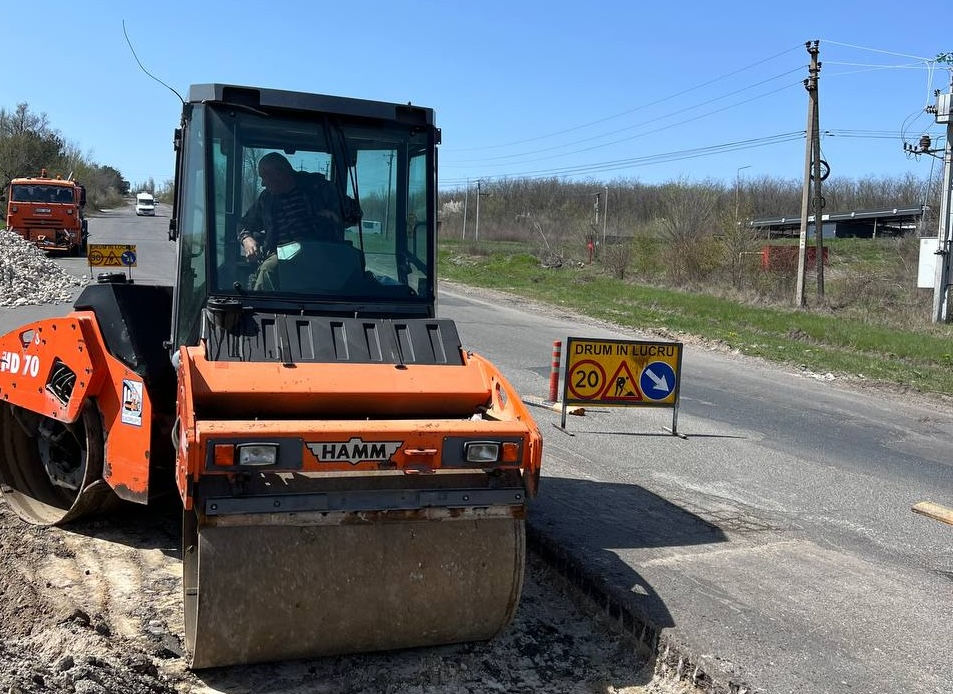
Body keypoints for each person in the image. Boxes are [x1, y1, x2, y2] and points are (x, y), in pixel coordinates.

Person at [238, 152, 361, 289]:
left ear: (280, 173)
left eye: (264, 176)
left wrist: (335, 215)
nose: (262, 183)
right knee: (268, 269)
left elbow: (355, 215)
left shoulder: (319, 189)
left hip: (323, 255)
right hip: (281, 259)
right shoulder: (266, 199)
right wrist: (246, 238)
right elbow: (244, 224)